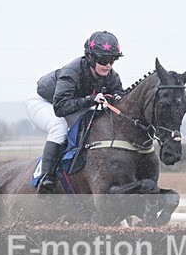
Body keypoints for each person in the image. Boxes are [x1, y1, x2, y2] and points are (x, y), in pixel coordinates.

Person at [26, 31, 126, 194]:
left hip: (71, 104)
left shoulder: (111, 76)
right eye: (103, 60)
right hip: (44, 103)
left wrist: (116, 97)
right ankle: (46, 177)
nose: (108, 65)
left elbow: (120, 95)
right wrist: (90, 100)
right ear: (91, 58)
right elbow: (60, 108)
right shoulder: (72, 72)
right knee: (59, 127)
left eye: (112, 60)